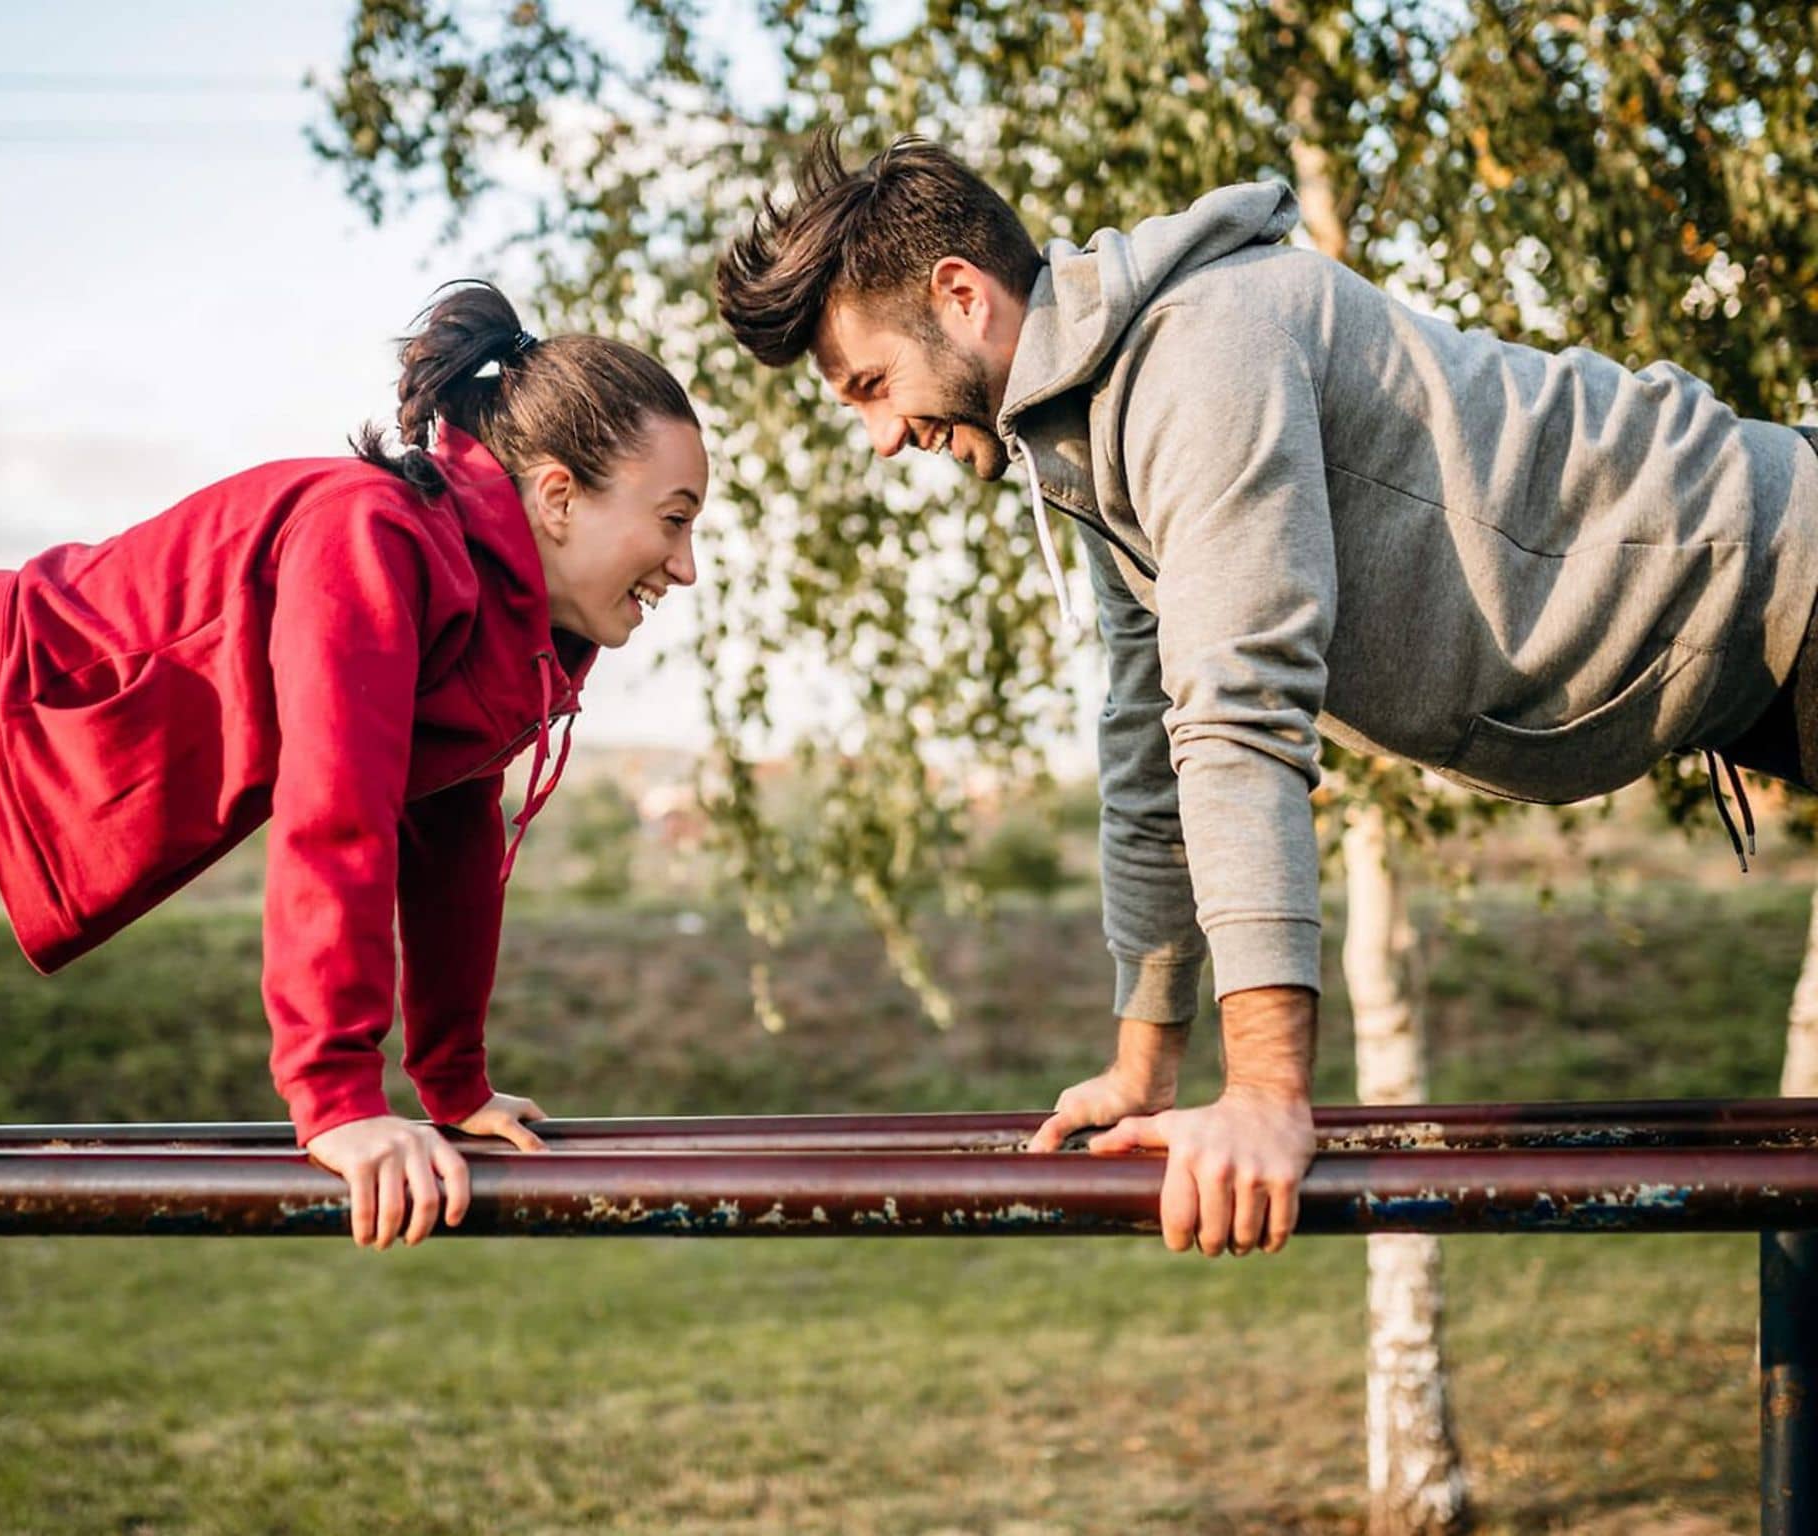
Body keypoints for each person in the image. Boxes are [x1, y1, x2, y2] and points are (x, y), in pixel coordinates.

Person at [715, 132, 1818, 1259]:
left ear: (961, 296)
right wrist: (1144, 1063)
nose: (882, 438)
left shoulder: (1200, 353)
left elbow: (1237, 710)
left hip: (1787, 571)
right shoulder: (1090, 431)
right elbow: (1148, 744)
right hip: (1747, 659)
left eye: (871, 387)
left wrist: (1264, 1092)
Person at [0, 282, 708, 1249]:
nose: (686, 566)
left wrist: (455, 1082)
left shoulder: (493, 632)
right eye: (674, 520)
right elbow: (337, 804)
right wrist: (337, 1098)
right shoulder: (375, 534)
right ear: (558, 496)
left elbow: (451, 845)